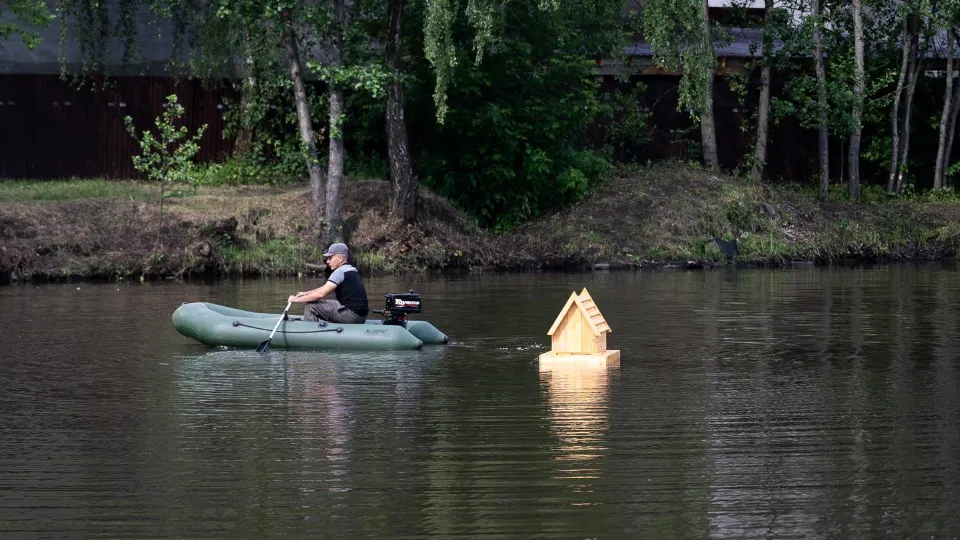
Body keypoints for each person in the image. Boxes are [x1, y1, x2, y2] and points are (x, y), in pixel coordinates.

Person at [287, 242, 368, 324]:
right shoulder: (352, 270)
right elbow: (324, 290)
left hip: (350, 316)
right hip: (361, 316)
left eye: (330, 258)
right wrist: (306, 293)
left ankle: (310, 332)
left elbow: (320, 294)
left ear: (340, 258)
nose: (327, 261)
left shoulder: (339, 272)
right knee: (332, 302)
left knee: (311, 306)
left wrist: (296, 299)